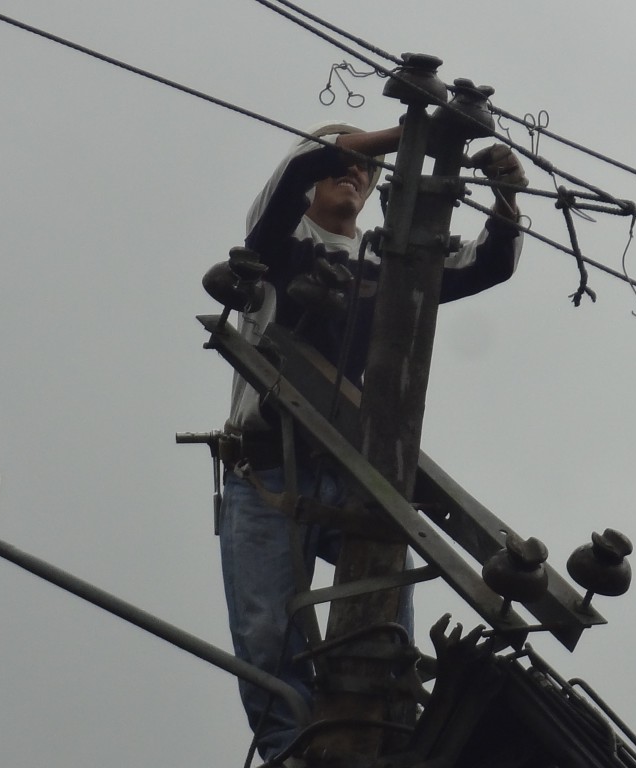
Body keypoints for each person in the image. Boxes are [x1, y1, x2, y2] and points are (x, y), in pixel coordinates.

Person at [218, 120, 527, 763]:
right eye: (344, 158)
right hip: (267, 472)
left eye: (365, 172)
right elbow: (304, 163)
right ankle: (291, 755)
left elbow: (489, 262)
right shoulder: (279, 238)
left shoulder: (395, 261)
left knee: (381, 619)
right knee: (266, 631)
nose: (354, 171)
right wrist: (412, 130)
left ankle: (387, 737)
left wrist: (504, 197)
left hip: (355, 470)